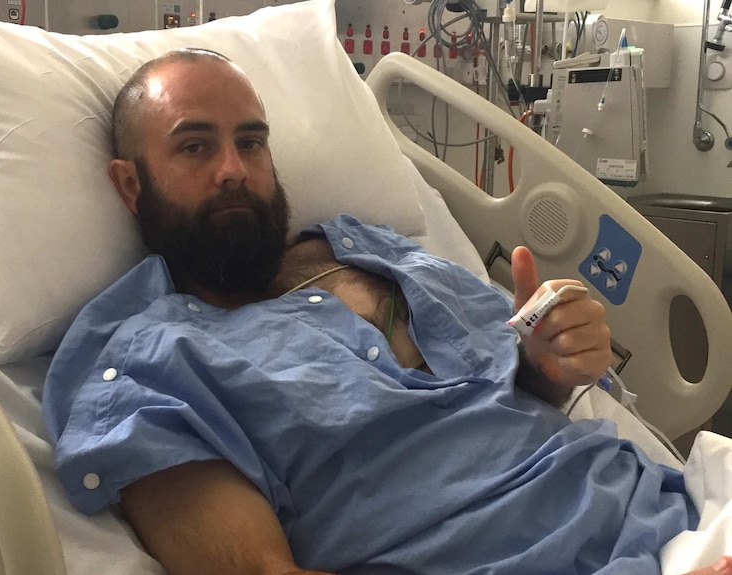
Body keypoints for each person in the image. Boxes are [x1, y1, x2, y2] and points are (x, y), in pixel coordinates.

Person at [42, 49, 728, 575]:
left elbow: (508, 395)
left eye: (251, 143)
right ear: (131, 183)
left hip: (675, 512)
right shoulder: (148, 362)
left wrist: (547, 364)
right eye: (196, 146)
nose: (233, 169)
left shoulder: (373, 247)